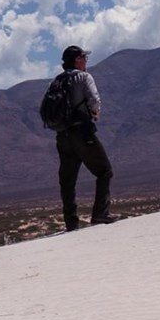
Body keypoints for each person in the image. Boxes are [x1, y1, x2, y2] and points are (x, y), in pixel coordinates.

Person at [55, 45, 116, 230]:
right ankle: (100, 214)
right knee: (104, 171)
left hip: (62, 136)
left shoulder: (56, 81)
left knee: (67, 180)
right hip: (82, 132)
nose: (86, 61)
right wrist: (95, 113)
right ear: (77, 60)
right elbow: (94, 100)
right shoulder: (83, 77)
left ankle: (71, 223)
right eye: (84, 58)